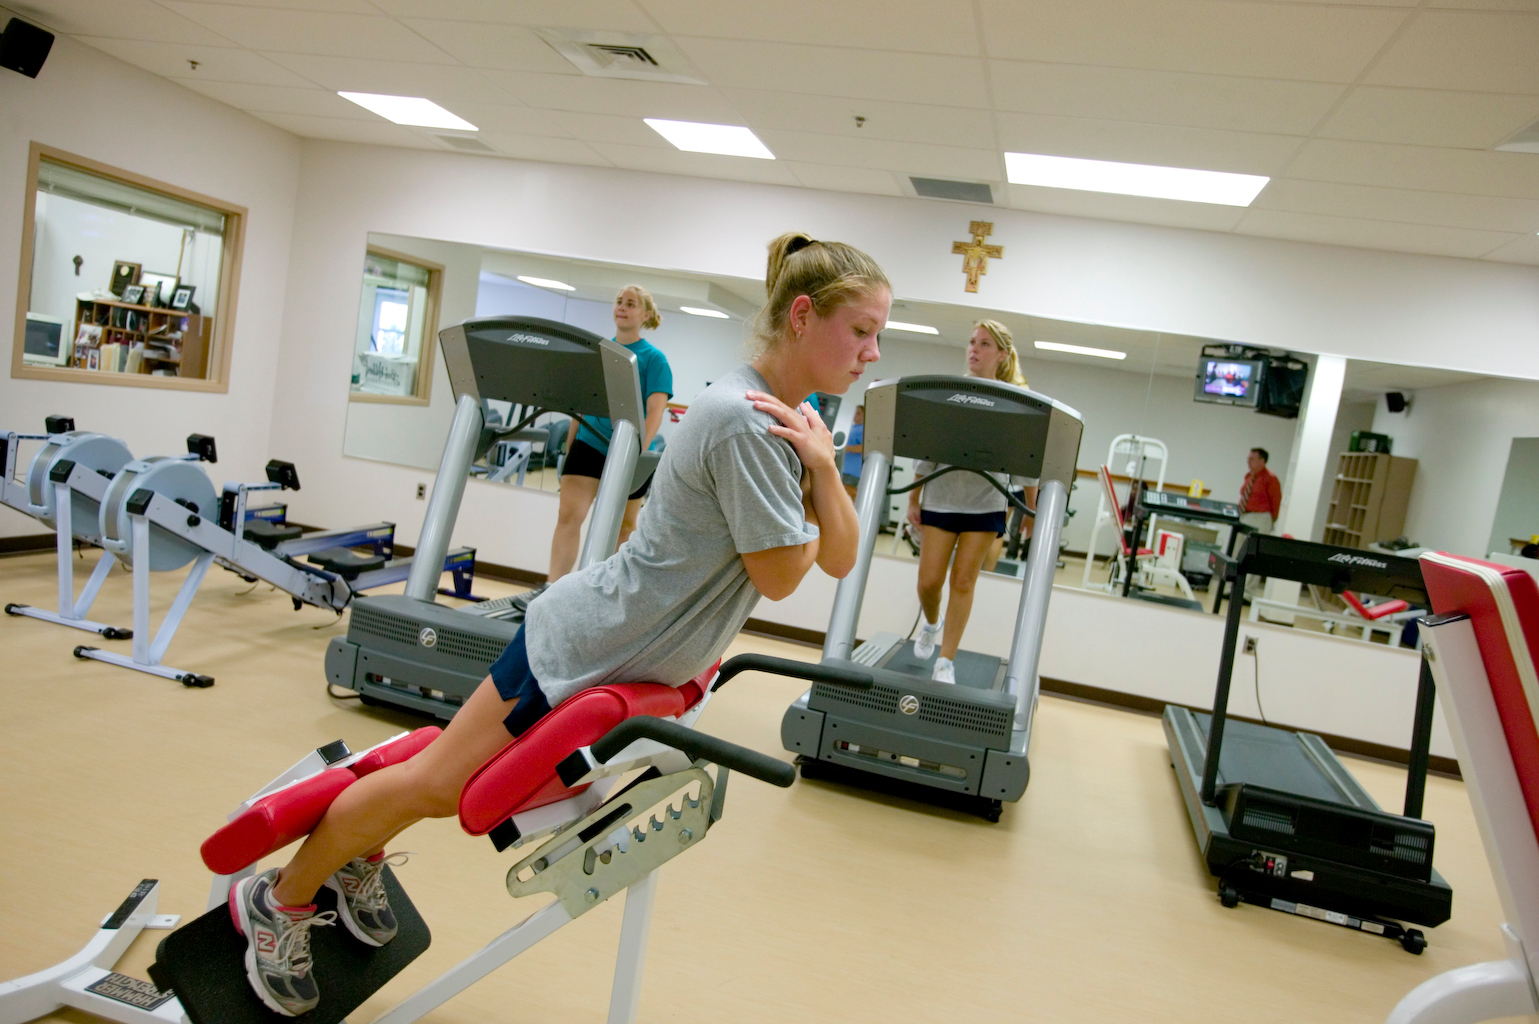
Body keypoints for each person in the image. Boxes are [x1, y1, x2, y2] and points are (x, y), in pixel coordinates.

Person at [226, 232, 888, 1017]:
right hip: (580, 644)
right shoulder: (744, 421)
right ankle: (282, 898)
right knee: (439, 785)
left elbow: (838, 559)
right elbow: (784, 577)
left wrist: (819, 469)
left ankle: (352, 856)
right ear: (804, 316)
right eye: (862, 331)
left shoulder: (793, 423)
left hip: (621, 653)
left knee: (443, 782)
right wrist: (820, 478)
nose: (872, 353)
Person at [518, 285, 673, 610]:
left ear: (645, 315)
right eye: (619, 302)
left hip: (628, 451)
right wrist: (572, 440)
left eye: (631, 304)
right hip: (589, 442)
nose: (622, 307)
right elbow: (582, 402)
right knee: (568, 515)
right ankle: (552, 589)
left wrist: (638, 454)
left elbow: (655, 411)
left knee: (625, 527)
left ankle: (606, 595)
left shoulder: (654, 359)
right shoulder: (600, 352)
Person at [907, 319, 1038, 684]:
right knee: (929, 583)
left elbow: (1025, 462)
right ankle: (932, 623)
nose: (973, 349)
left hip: (986, 503)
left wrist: (1031, 509)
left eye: (983, 344)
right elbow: (928, 449)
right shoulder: (952, 394)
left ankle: (945, 661)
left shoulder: (1014, 402)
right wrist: (914, 497)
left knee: (963, 581)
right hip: (942, 498)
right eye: (971, 342)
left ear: (1002, 354)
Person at [1239, 446, 1282, 599]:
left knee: (1253, 555)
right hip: (1245, 516)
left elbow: (1276, 502)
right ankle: (1235, 588)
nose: (1248, 462)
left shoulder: (1270, 478)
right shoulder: (1249, 476)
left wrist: (1270, 522)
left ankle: (1247, 593)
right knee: (1239, 552)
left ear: (1262, 461)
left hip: (1261, 518)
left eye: (1252, 459)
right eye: (1248, 458)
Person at [841, 404, 864, 498]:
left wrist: (846, 449)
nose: (855, 415)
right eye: (855, 413)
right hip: (843, 469)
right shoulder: (851, 428)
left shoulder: (863, 429)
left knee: (849, 496)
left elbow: (863, 448)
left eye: (858, 413)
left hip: (853, 472)